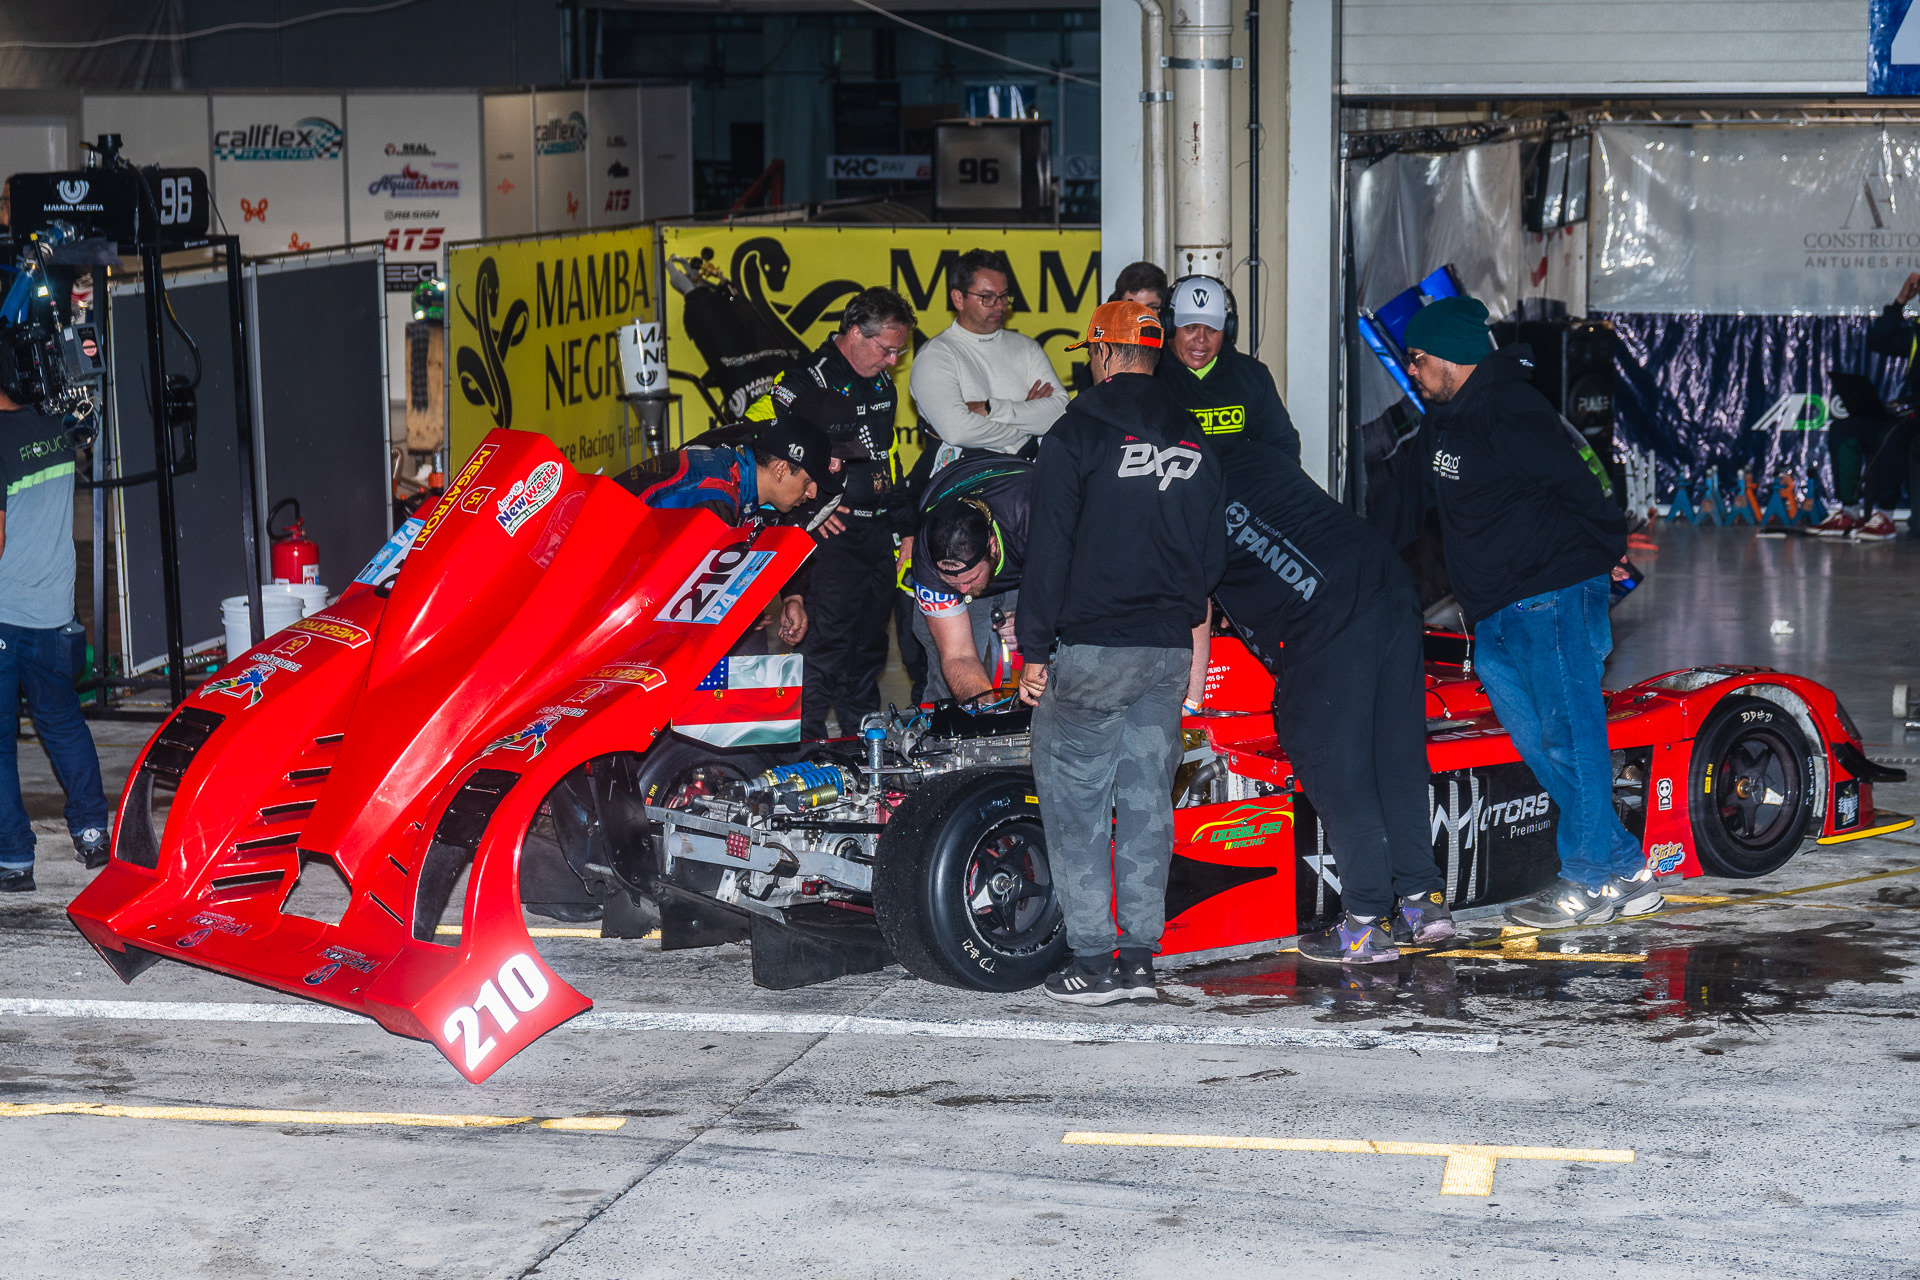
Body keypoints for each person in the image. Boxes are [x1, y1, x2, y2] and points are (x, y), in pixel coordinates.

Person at [1403, 295, 1658, 928]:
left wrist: (1607, 550)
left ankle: (1588, 880)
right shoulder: (1444, 420)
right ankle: (1625, 867)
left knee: (1571, 738)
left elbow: (1581, 485)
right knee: (1541, 746)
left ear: (1452, 358)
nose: (1412, 370)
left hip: (1550, 596)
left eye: (1418, 358)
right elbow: (1412, 509)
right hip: (1493, 611)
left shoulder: (1511, 409)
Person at [1017, 300, 1224, 1005]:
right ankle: (1138, 959)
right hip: (1166, 651)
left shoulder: (1076, 432)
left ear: (1103, 353)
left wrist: (1034, 647)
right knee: (1145, 804)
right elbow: (1212, 556)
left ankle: (1092, 961)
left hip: (1095, 649)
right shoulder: (1194, 434)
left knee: (1076, 806)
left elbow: (1049, 550)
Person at [1207, 434, 1453, 963]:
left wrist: (1188, 695)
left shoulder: (1185, 489)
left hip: (1328, 610)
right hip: (1387, 579)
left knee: (1334, 761)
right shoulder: (1248, 451)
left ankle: (1365, 923)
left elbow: (1191, 604)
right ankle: (1423, 902)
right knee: (1394, 752)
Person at [747, 287, 916, 738]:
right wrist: (810, 508)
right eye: (886, 349)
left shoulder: (881, 381)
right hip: (832, 540)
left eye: (899, 352)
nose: (892, 361)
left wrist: (906, 527)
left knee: (868, 654)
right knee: (821, 654)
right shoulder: (806, 378)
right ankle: (801, 753)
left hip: (878, 533)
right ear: (855, 332)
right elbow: (756, 439)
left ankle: (862, 750)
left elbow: (889, 456)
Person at [0, 385, 111, 893]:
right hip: (53, 612)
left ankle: (14, 858)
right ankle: (91, 833)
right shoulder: (57, 423)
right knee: (64, 725)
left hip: (5, 612)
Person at [615, 410, 834, 650]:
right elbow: (676, 606)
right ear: (780, 469)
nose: (813, 493)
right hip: (608, 594)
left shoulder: (734, 469)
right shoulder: (717, 496)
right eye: (808, 481)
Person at [907, 248, 1068, 459]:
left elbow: (1062, 414)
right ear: (958, 298)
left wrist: (991, 408)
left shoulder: (1027, 347)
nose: (999, 305)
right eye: (987, 297)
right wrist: (1028, 422)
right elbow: (957, 431)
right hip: (966, 475)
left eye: (1004, 296)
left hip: (1027, 471)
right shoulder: (935, 355)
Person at [907, 453, 1032, 701]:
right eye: (952, 582)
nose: (963, 590)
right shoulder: (925, 558)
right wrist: (982, 715)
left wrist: (1038, 620)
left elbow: (1087, 590)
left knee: (1048, 660)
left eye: (971, 579)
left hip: (1029, 542)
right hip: (956, 490)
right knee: (947, 691)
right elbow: (958, 655)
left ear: (993, 546)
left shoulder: (1032, 517)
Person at [1817, 271, 1920, 539]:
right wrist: (1900, 301)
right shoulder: (1917, 332)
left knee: (1891, 433)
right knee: (1845, 429)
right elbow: (1878, 340)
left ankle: (1885, 516)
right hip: (1909, 408)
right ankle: (1849, 511)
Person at [1155, 276, 1301, 461]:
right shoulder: (1149, 376)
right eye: (1190, 328)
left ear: (1228, 329)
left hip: (1237, 478)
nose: (1201, 339)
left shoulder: (1252, 376)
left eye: (1212, 329)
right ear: (1169, 326)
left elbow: (1282, 445)